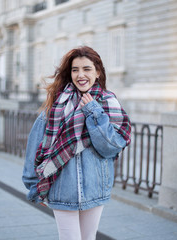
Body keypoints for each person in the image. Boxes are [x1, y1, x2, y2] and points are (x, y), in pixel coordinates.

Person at [22, 46, 131, 240]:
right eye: (75, 70)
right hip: (61, 188)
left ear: (97, 72)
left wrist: (93, 111)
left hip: (95, 188)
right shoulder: (57, 105)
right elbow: (34, 144)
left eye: (87, 69)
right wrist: (35, 186)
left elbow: (110, 147)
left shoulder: (108, 103)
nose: (80, 75)